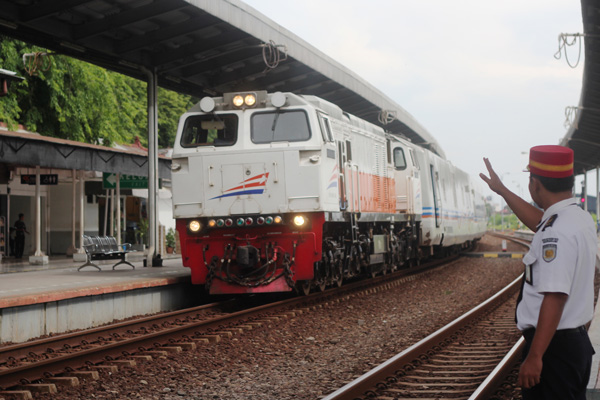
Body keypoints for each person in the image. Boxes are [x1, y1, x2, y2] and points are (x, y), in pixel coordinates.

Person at [480, 145, 596, 400]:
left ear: (535, 184)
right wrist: (501, 190)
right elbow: (539, 221)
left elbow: (555, 297)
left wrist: (535, 356)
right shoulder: (578, 218)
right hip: (574, 346)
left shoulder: (555, 233)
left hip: (554, 350)